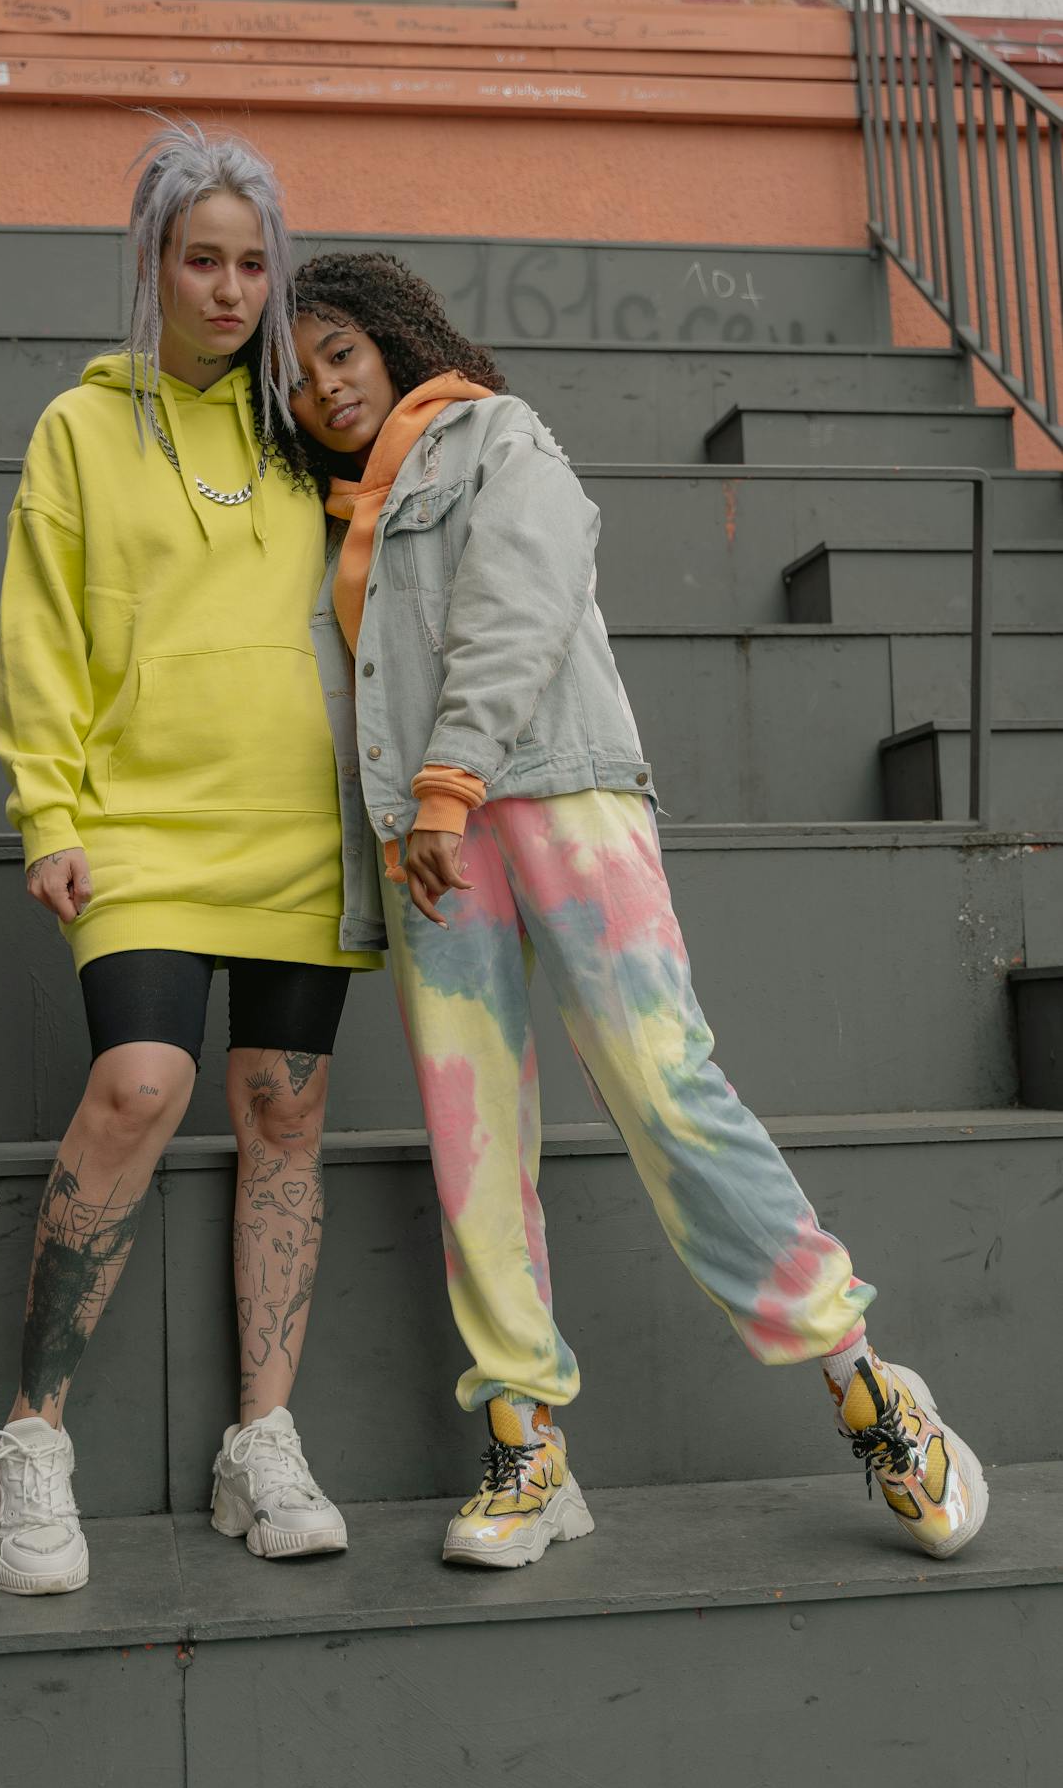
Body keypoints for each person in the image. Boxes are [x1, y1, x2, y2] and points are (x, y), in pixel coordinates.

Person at [287, 250, 989, 1571]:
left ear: (390, 338)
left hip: (551, 792)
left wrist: (447, 779)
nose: (323, 382)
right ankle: (523, 1440)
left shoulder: (498, 436)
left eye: (338, 350)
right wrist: (402, 827)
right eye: (299, 369)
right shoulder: (337, 515)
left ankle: (865, 1384)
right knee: (471, 1131)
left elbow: (522, 602)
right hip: (428, 846)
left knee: (664, 1084)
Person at [0, 124, 383, 1595]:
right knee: (137, 1084)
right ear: (150, 264)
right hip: (143, 823)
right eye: (200, 259)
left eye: (252, 262)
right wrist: (52, 814)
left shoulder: (306, 426)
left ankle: (259, 1445)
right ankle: (33, 1438)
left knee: (283, 1110)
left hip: (300, 829)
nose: (228, 289)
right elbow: (41, 634)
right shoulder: (77, 429)